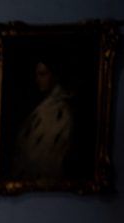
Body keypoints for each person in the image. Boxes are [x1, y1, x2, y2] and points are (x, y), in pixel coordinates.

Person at [11, 59, 76, 187]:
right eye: (37, 75)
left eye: (43, 74)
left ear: (54, 75)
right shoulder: (41, 108)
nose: (38, 80)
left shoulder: (61, 112)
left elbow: (46, 160)